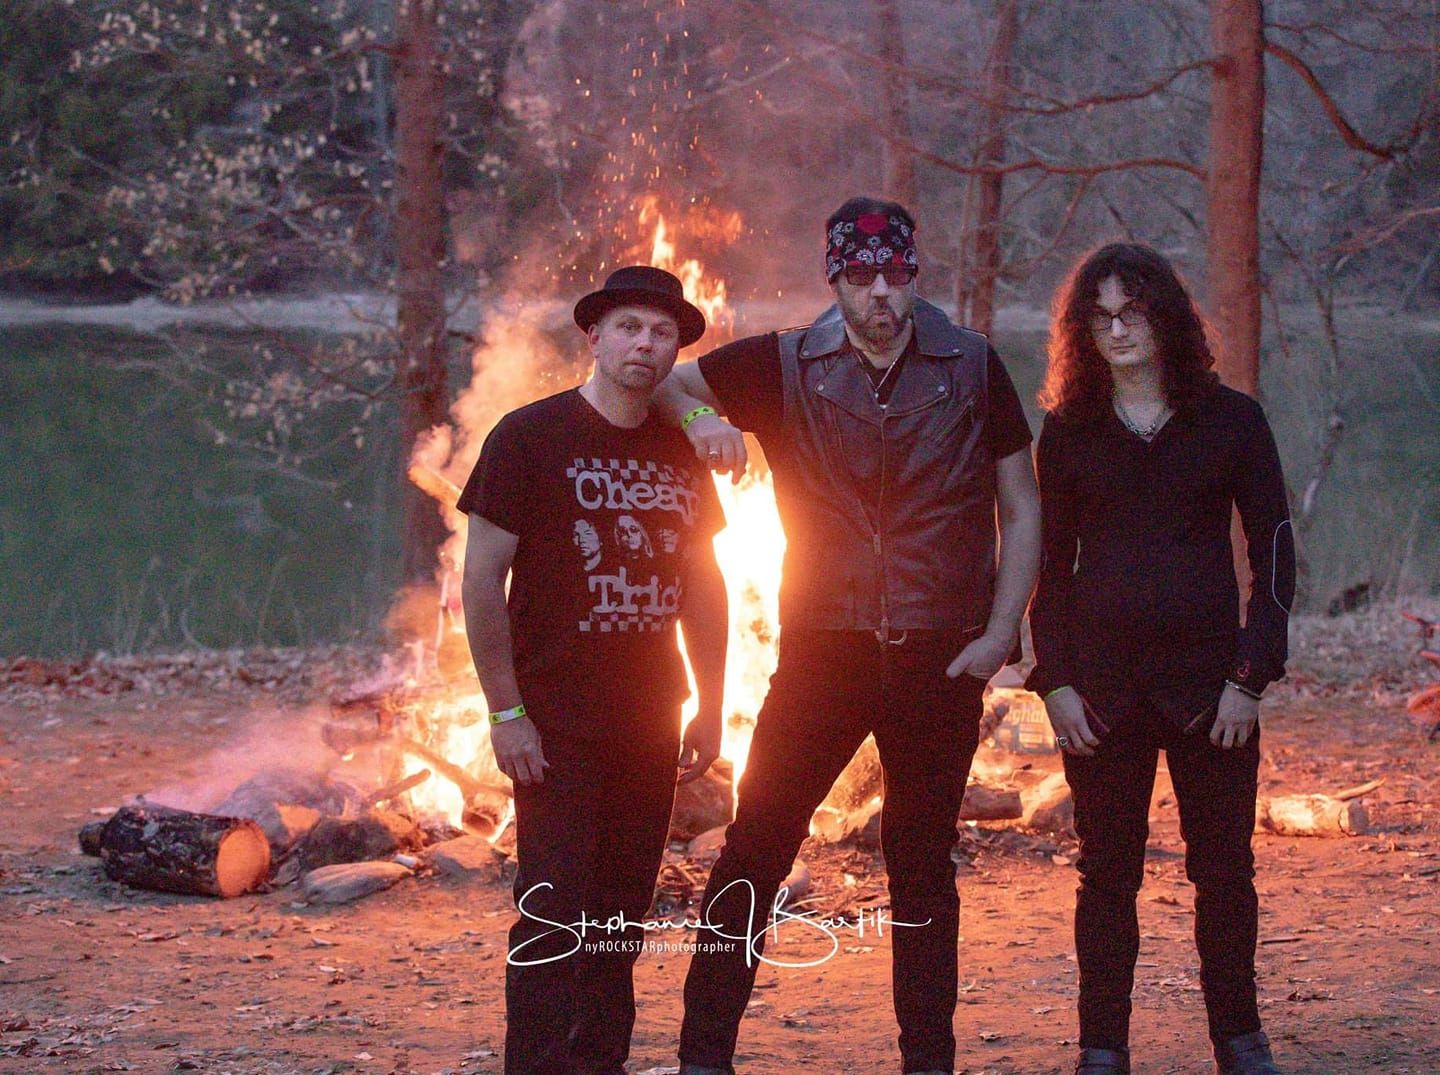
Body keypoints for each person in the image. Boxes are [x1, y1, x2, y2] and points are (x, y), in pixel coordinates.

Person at [655, 196, 1042, 1075]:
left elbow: (1020, 504)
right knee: (756, 846)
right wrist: (705, 421)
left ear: (914, 275)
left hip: (940, 653)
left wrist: (999, 632)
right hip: (821, 650)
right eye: (862, 275)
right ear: (834, 278)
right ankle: (703, 1056)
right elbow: (670, 384)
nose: (880, 293)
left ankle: (928, 1060)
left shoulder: (971, 365)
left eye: (896, 274)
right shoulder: (786, 363)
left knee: (923, 866)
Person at [1026, 243, 1294, 1075]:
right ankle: (1102, 1047)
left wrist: (1251, 676)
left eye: (1132, 312)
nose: (1117, 330)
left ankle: (1240, 1040)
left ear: (1166, 317)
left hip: (1213, 691)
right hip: (1101, 693)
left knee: (1225, 871)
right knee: (1106, 876)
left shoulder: (1232, 420)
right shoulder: (1069, 430)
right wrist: (1054, 680)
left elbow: (1275, 550)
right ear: (1082, 330)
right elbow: (1048, 566)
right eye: (1100, 316)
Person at [459, 265, 729, 1075]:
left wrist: (711, 702)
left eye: (662, 333)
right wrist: (506, 711)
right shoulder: (529, 436)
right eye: (629, 328)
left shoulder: (679, 450)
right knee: (552, 912)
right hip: (556, 722)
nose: (645, 344)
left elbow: (704, 586)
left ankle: (598, 1062)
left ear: (674, 350)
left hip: (649, 719)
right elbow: (481, 580)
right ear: (595, 337)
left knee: (619, 919)